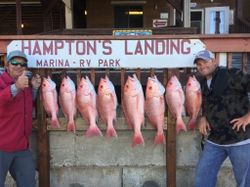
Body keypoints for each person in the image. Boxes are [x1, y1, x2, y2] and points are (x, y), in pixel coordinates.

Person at [194, 49, 250, 187]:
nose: (202, 66)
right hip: (214, 140)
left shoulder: (231, 74)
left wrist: (248, 117)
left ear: (214, 61)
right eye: (199, 64)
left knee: (244, 181)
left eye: (205, 62)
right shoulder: (200, 83)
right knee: (202, 176)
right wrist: (203, 117)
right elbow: (207, 104)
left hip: (240, 140)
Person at [0, 50, 41, 187]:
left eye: (22, 64)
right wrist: (16, 87)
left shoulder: (25, 84)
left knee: (28, 183)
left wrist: (34, 89)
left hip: (22, 146)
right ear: (7, 65)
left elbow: (27, 106)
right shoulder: (2, 81)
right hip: (1, 146)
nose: (19, 66)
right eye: (15, 62)